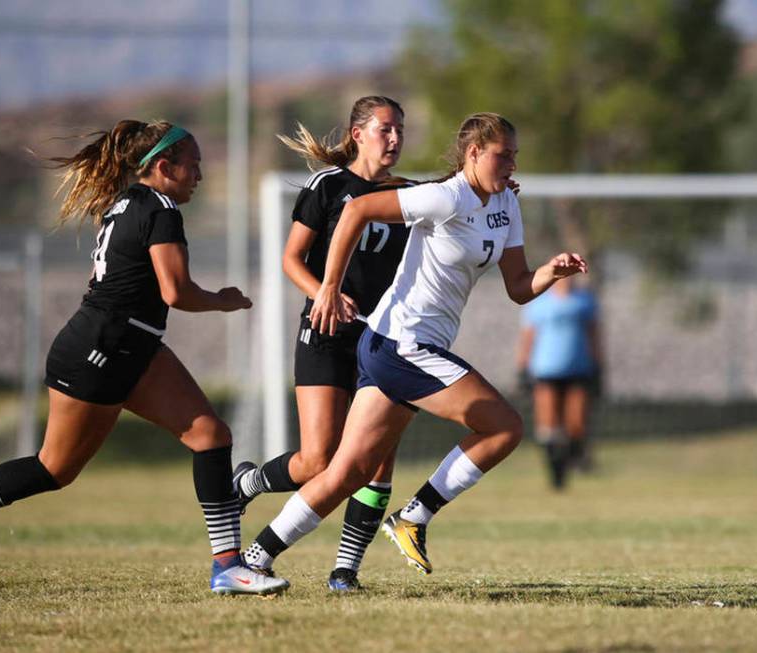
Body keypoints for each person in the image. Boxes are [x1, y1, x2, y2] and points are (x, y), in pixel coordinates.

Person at [0, 119, 288, 597]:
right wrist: (223, 300)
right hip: (101, 348)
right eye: (193, 165)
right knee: (54, 469)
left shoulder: (129, 201)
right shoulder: (161, 209)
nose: (200, 175)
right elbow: (175, 291)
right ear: (165, 166)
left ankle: (228, 567)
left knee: (211, 437)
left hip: (131, 345)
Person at [239, 112, 588, 585]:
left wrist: (552, 270)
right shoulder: (445, 196)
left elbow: (520, 288)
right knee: (504, 427)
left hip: (395, 345)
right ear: (473, 153)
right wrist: (328, 287)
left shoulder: (506, 203)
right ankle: (413, 517)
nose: (511, 163)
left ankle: (254, 559)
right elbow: (357, 211)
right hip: (403, 343)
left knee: (346, 472)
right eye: (502, 154)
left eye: (514, 155)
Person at [232, 96, 410, 591]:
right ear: (358, 134)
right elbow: (291, 259)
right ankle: (247, 484)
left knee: (377, 459)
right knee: (318, 461)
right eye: (385, 129)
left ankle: (345, 570)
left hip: (380, 341)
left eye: (400, 130)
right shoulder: (328, 186)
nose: (394, 138)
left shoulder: (407, 195)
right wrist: (324, 293)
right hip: (326, 334)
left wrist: (497, 187)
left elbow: (459, 201)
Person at [516, 276, 601, 489]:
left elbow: (594, 334)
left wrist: (599, 365)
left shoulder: (585, 301)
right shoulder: (539, 304)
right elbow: (528, 337)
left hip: (579, 369)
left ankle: (575, 457)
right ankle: (556, 475)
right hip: (546, 369)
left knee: (576, 423)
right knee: (548, 425)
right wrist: (522, 368)